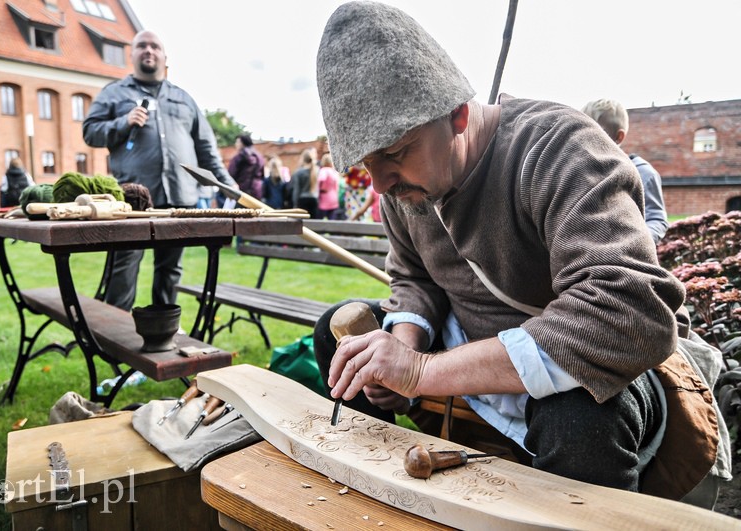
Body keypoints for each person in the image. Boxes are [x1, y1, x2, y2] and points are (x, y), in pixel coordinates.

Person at [312, 1, 728, 502]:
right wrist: (402, 349)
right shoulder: (406, 187)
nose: (380, 182)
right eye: (366, 163)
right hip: (470, 349)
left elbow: (628, 313)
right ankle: (385, 500)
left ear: (458, 114)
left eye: (394, 154)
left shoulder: (558, 147)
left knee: (575, 414)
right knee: (340, 338)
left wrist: (422, 373)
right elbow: (413, 279)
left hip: (596, 365)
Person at [82, 30, 236, 311]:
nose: (148, 50)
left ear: (165, 57)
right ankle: (115, 331)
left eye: (155, 46)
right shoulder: (114, 94)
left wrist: (231, 188)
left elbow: (206, 150)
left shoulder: (184, 98)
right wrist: (123, 122)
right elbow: (90, 132)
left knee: (170, 270)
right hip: (133, 202)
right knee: (124, 266)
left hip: (179, 198)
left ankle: (163, 329)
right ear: (132, 54)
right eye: (142, 46)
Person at [581, 99, 669, 243]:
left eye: (597, 132)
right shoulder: (582, 171)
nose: (588, 138)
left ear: (618, 137)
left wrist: (638, 244)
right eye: (582, 130)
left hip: (627, 258)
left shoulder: (643, 174)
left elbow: (657, 219)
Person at [228, 134, 265, 200]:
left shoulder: (239, 157)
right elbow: (262, 174)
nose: (235, 144)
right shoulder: (259, 157)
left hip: (241, 192)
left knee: (241, 210)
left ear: (242, 143)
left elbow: (231, 174)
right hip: (257, 191)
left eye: (237, 142)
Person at [291, 149, 319, 218]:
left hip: (302, 201)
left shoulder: (298, 172)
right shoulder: (316, 171)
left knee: (303, 225)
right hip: (314, 200)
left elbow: (296, 190)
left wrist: (295, 204)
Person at [317, 153, 340, 219]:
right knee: (332, 221)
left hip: (324, 199)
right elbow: (337, 186)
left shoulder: (323, 170)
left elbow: (321, 179)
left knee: (321, 220)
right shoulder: (334, 172)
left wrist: (322, 188)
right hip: (334, 198)